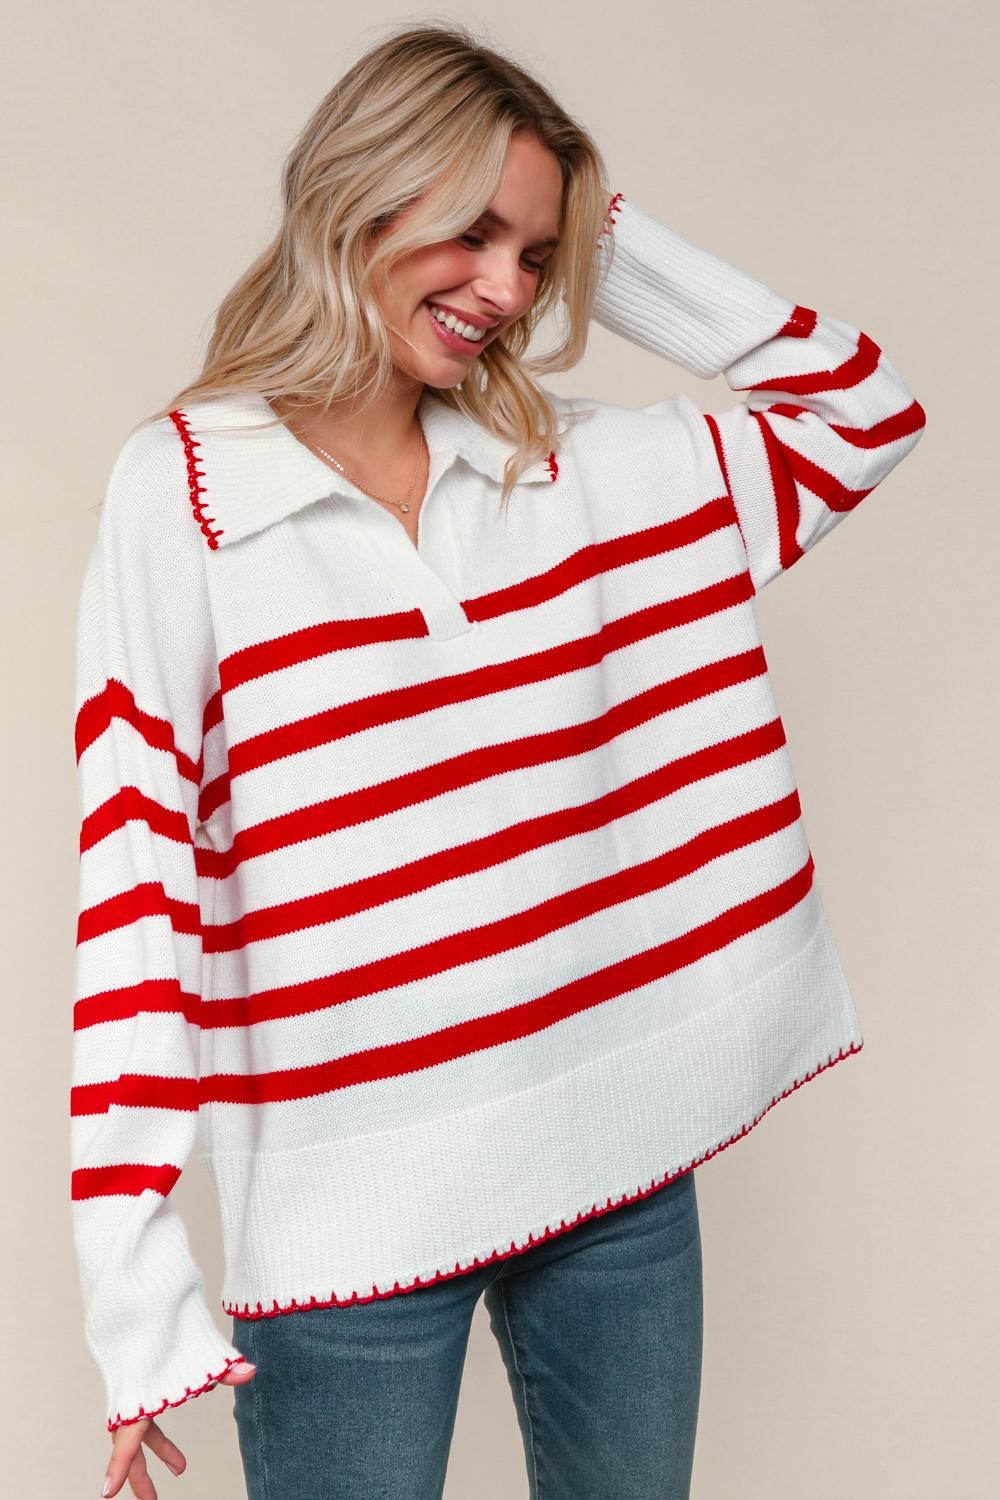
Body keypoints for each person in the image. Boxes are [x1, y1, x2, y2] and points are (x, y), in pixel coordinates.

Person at [70, 20, 926, 1500]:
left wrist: (600, 231)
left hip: (618, 1166)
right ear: (357, 197)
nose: (510, 291)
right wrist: (137, 1294)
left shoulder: (575, 470)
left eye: (536, 257)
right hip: (353, 1215)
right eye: (471, 231)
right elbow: (136, 886)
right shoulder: (187, 495)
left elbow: (865, 411)